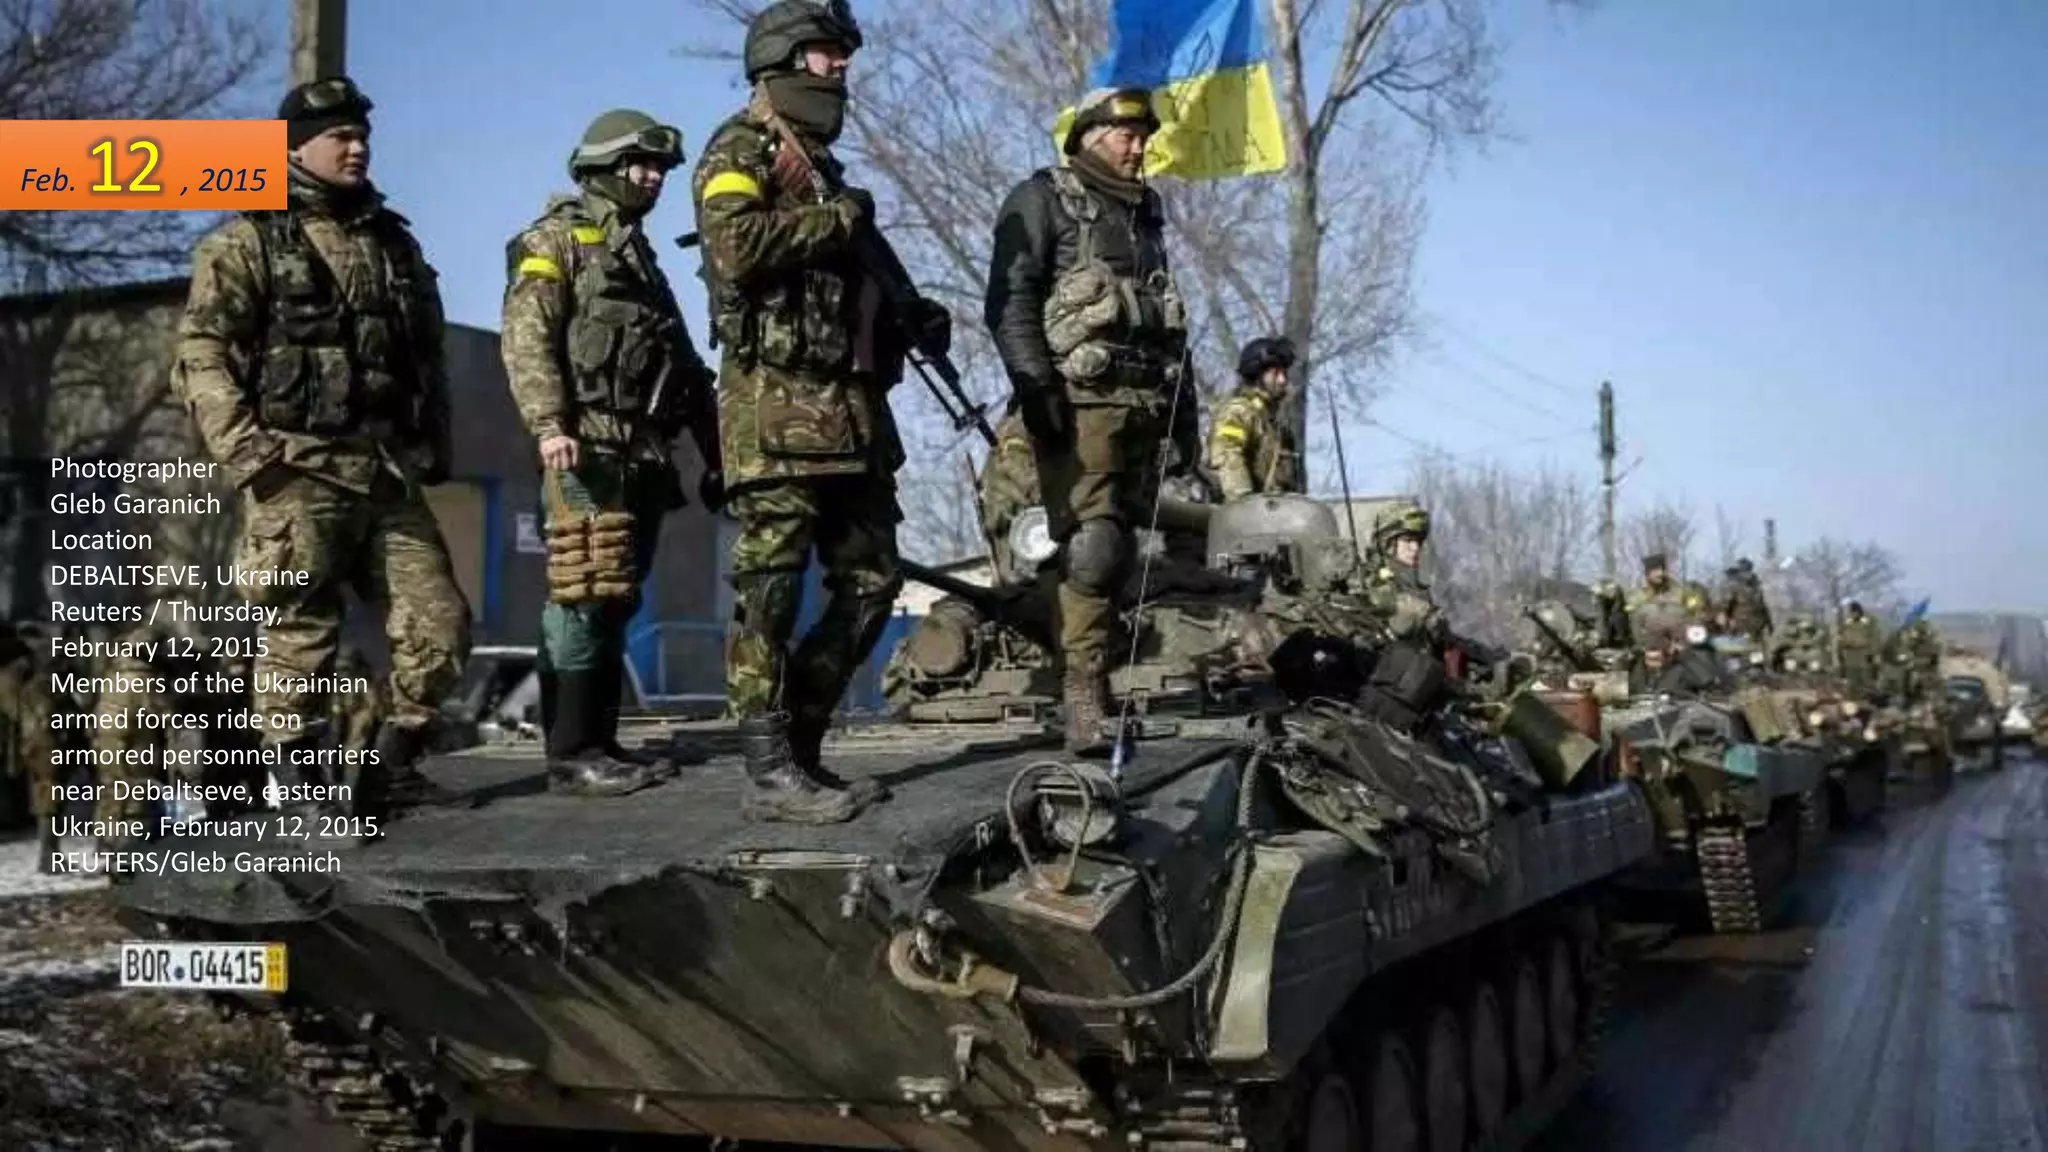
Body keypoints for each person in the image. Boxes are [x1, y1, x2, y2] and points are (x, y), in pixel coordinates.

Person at [170, 76, 472, 825]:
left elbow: (424, 356)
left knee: (440, 623)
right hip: (295, 466)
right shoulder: (245, 239)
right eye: (339, 134)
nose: (357, 144)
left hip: (382, 467)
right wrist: (250, 456)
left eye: (361, 132)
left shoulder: (392, 241)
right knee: (298, 631)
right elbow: (202, 353)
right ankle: (303, 791)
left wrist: (434, 444)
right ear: (295, 146)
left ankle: (395, 766)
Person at [694, 0, 944, 820]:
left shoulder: (826, 170)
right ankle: (768, 771)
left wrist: (911, 313)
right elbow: (736, 247)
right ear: (780, 60)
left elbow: (850, 277)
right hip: (773, 410)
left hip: (847, 411)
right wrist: (839, 219)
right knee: (767, 589)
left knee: (874, 579)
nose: (840, 69)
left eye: (841, 55)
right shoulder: (741, 148)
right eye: (824, 54)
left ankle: (799, 740)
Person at [503, 109, 721, 797]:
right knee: (582, 593)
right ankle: (571, 754)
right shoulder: (556, 240)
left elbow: (684, 369)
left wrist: (715, 455)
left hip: (643, 455)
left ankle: (601, 741)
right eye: (641, 165)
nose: (653, 178)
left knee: (616, 599)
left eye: (660, 169)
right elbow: (528, 338)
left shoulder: (641, 260)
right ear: (601, 166)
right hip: (585, 449)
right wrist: (547, 425)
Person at [985, 86, 1197, 755]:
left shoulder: (1145, 216)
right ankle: (1080, 698)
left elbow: (1168, 318)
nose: (1139, 149)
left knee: (1122, 549)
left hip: (1141, 400)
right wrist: (1034, 383)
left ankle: (1096, 684)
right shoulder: (1044, 197)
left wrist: (1184, 413)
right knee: (1090, 544)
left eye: (1144, 138)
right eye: (1127, 136)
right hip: (1078, 403)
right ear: (1089, 136)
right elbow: (1010, 298)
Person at [1206, 336, 1302, 501]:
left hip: (1276, 514)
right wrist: (1244, 503)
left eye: (1284, 373)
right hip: (1248, 517)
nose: (1282, 380)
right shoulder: (1240, 411)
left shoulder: (1276, 426)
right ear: (1256, 374)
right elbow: (1228, 455)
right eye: (1276, 373)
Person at [1717, 557, 1773, 641]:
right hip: (1746, 625)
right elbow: (1725, 606)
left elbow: (1762, 605)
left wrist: (1769, 624)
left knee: (1752, 649)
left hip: (1753, 625)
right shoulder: (1736, 585)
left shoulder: (1753, 585)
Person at [1836, 599, 1881, 695]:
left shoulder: (1868, 622)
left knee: (1865, 679)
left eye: (1854, 612)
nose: (1852, 614)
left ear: (1859, 612)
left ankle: (1866, 697)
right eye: (1851, 612)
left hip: (1863, 653)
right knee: (1851, 680)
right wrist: (1840, 652)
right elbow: (1840, 636)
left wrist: (1872, 653)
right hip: (1849, 654)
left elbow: (1874, 637)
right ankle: (1852, 697)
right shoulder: (1846, 622)